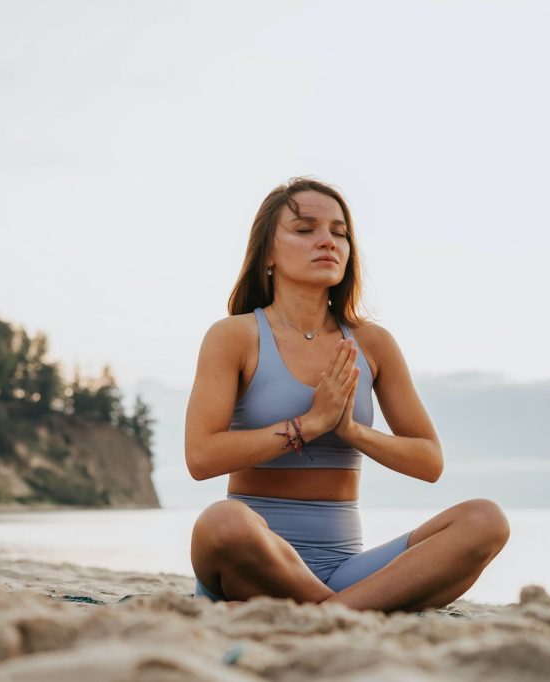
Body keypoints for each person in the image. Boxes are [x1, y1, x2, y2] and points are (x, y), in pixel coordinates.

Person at [185, 178, 509, 612]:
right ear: (267, 254)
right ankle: (354, 612)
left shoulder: (372, 344)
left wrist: (352, 431)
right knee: (221, 522)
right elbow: (201, 457)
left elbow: (429, 461)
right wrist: (307, 425)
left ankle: (334, 611)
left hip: (347, 570)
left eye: (339, 232)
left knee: (486, 520)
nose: (327, 241)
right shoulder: (235, 336)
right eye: (306, 230)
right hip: (255, 558)